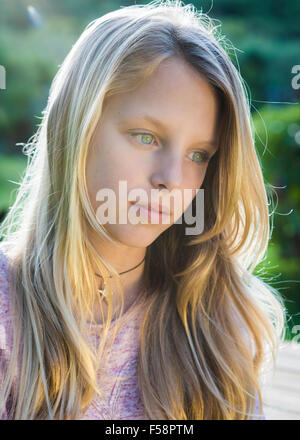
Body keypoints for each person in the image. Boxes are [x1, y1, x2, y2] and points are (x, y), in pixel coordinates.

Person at [0, 0, 286, 420]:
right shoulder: (7, 309)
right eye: (146, 137)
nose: (172, 179)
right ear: (78, 126)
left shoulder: (218, 318)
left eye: (198, 154)